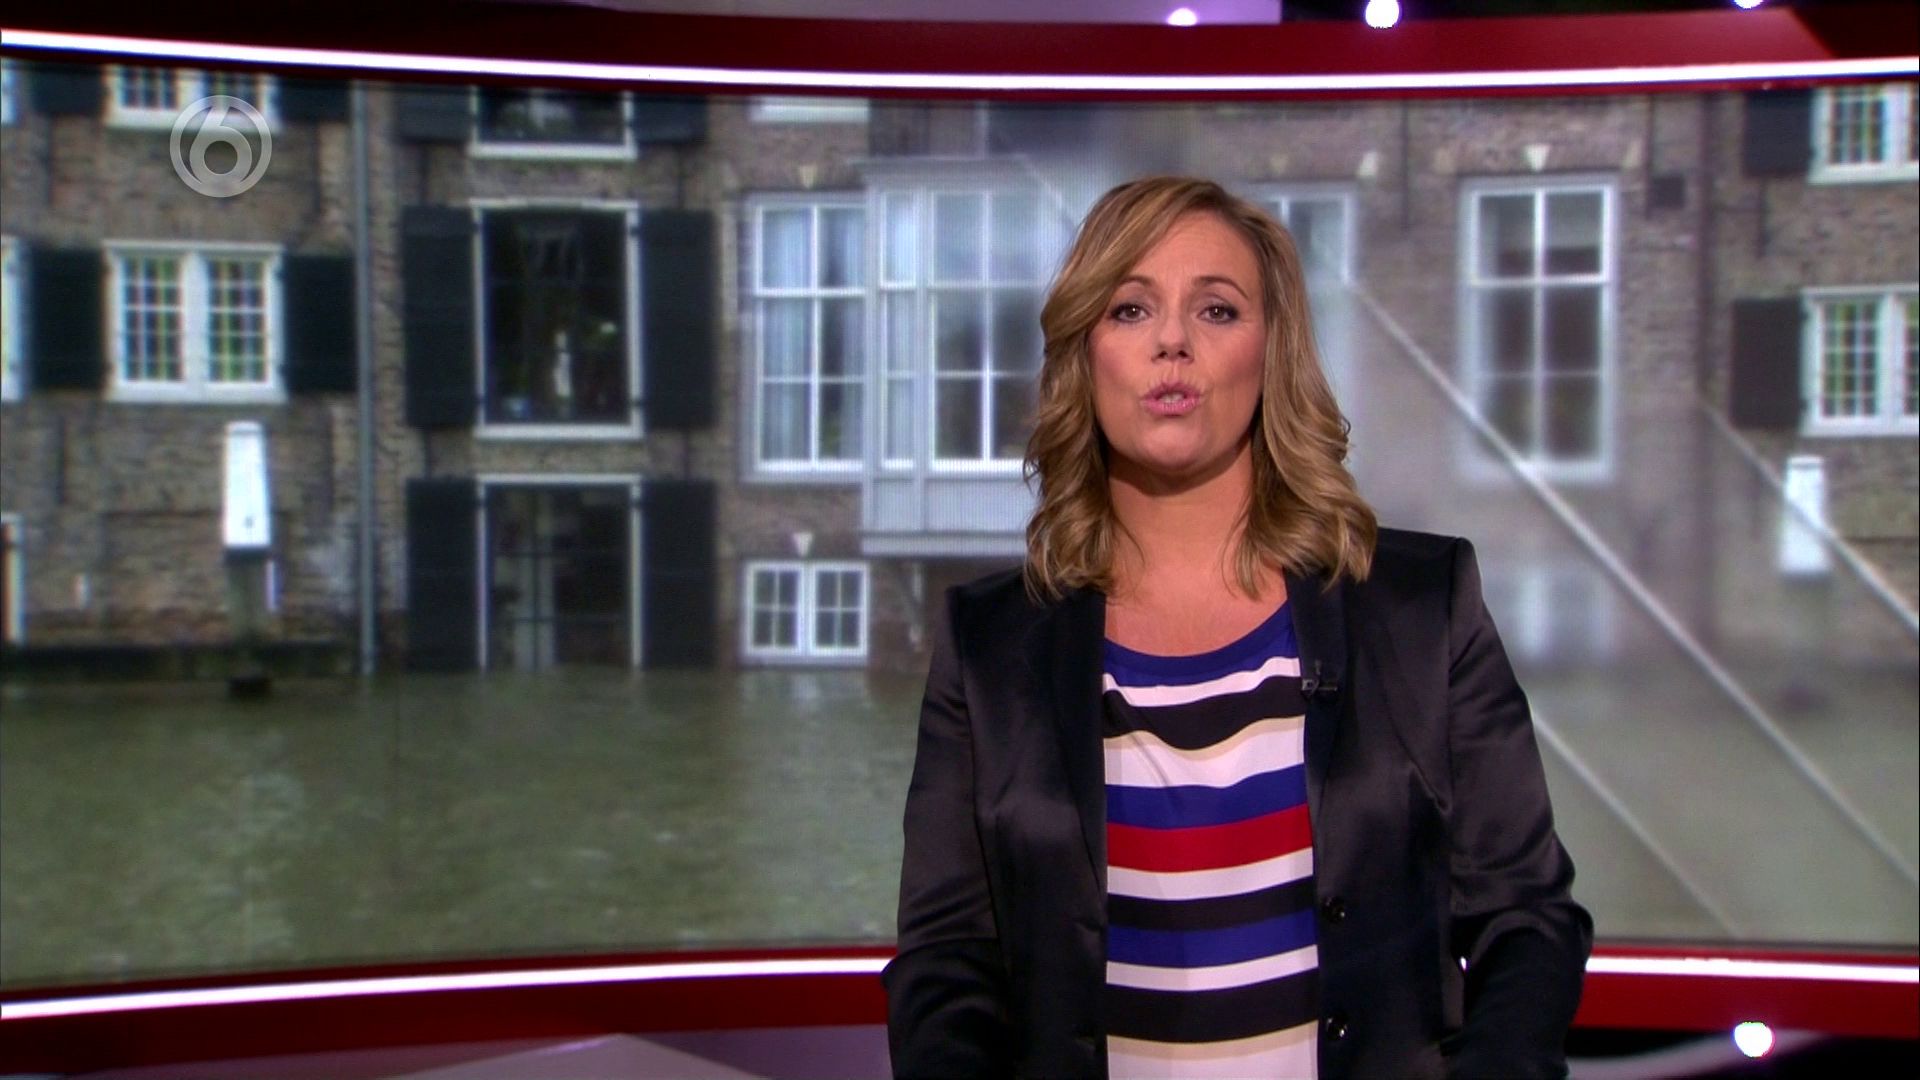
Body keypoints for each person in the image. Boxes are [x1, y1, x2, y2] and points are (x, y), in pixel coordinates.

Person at [882, 176, 1591, 1079]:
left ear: (1272, 351)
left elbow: (1527, 919)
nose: (1172, 341)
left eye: (1216, 310)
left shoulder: (1419, 608)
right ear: (1084, 351)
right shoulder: (987, 645)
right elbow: (947, 966)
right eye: (1130, 308)